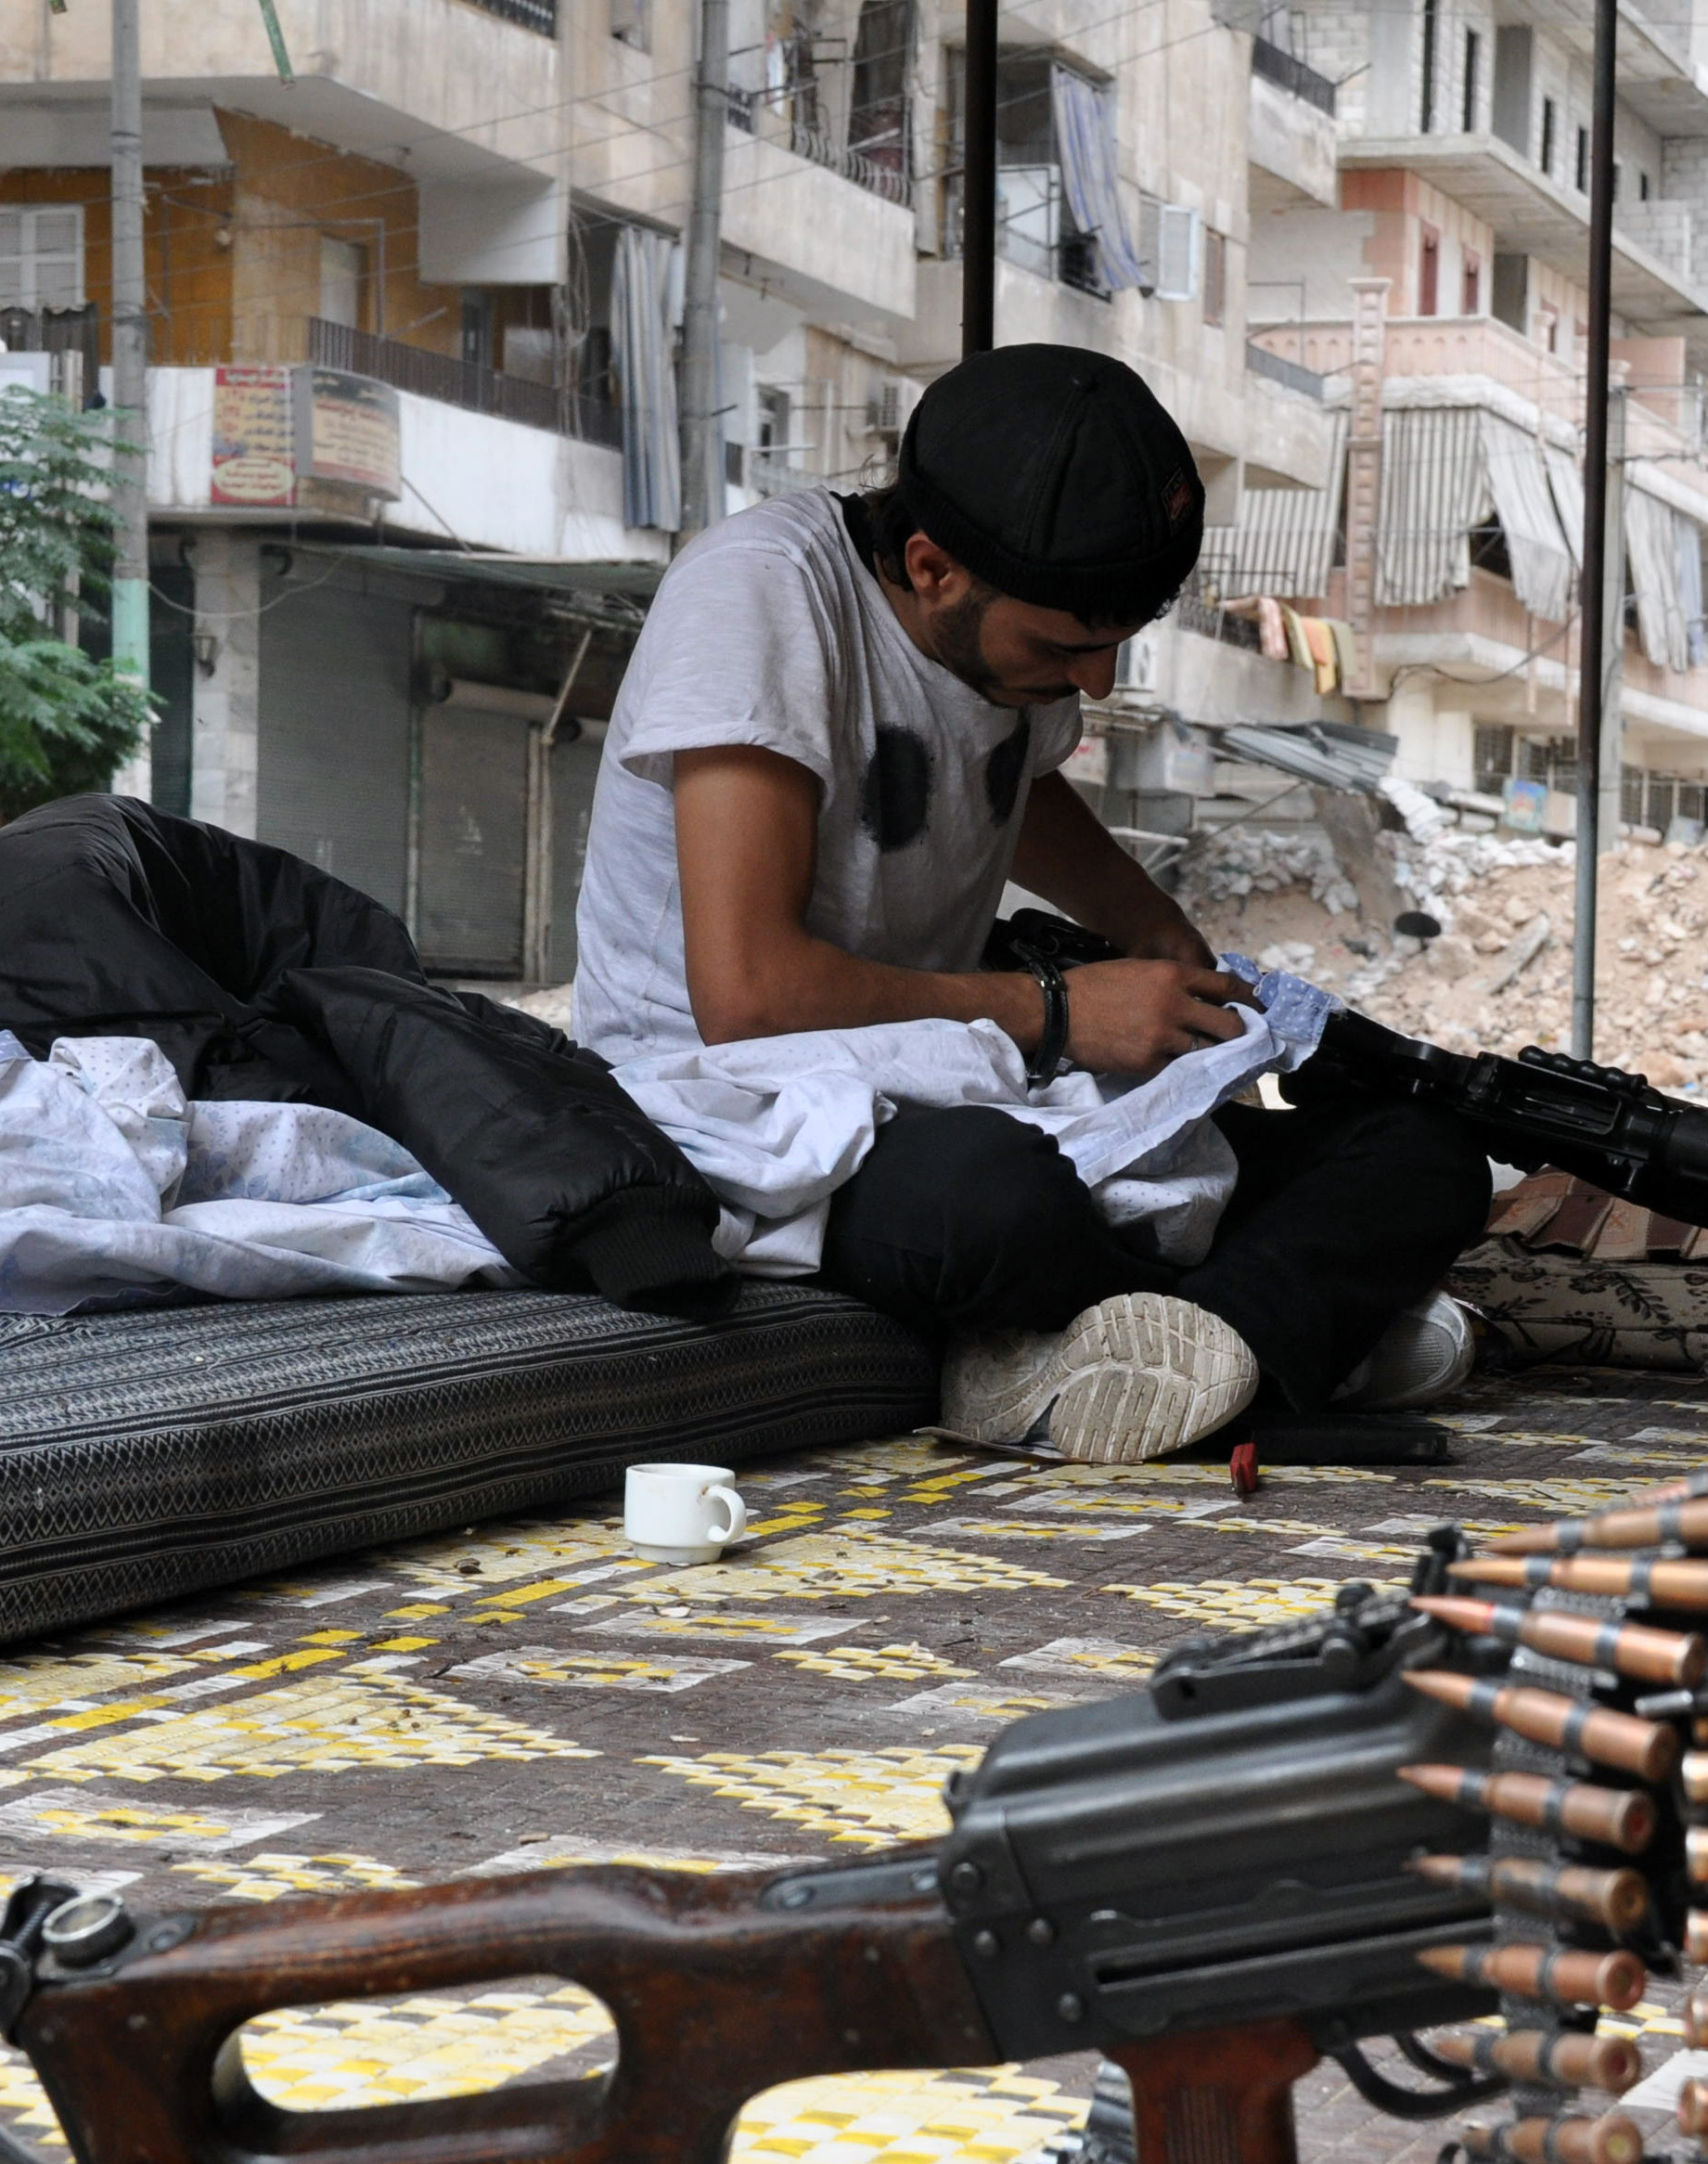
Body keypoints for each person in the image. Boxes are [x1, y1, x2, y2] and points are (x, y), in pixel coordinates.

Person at [569, 343, 1492, 1462]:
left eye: (1114, 648)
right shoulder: (757, 594)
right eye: (1069, 647)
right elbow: (749, 1001)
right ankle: (1276, 1341)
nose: (1096, 685)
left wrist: (1163, 940)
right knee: (996, 1205)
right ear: (930, 566)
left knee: (1426, 1152)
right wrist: (1062, 1011)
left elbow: (1019, 781)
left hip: (961, 1081)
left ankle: (1193, 1359)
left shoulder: (999, 649)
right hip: (740, 1115)